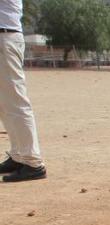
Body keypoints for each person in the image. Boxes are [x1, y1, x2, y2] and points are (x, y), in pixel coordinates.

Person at [0, 0, 46, 183]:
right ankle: (19, 155)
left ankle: (33, 163)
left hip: (6, 38)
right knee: (4, 104)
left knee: (16, 102)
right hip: (4, 38)